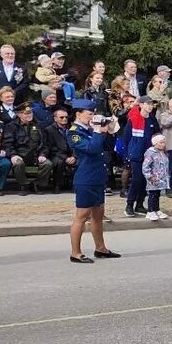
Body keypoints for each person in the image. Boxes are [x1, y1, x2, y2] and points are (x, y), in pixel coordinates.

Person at [66, 99, 120, 263]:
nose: (92, 117)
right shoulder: (74, 132)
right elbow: (92, 149)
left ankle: (100, 248)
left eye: (93, 114)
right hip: (86, 178)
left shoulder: (90, 130)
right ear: (78, 114)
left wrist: (109, 131)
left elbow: (108, 147)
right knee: (82, 216)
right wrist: (98, 131)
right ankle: (76, 252)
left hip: (97, 176)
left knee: (98, 215)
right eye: (89, 114)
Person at [2, 103, 51, 195]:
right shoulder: (11, 126)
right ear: (19, 114)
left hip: (35, 155)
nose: (29, 115)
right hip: (20, 154)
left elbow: (45, 143)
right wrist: (13, 155)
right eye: (26, 113)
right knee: (18, 163)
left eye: (30, 113)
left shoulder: (38, 125)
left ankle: (37, 184)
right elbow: (8, 143)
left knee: (47, 164)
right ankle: (23, 185)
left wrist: (43, 154)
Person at [123, 96, 158, 217]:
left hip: (149, 154)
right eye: (147, 104)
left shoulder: (152, 119)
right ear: (141, 105)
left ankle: (139, 204)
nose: (150, 106)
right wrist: (126, 156)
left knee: (144, 180)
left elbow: (157, 135)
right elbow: (126, 138)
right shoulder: (133, 119)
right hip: (136, 154)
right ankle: (129, 204)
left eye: (151, 104)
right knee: (137, 180)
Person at [43, 107, 77, 192]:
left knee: (80, 160)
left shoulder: (72, 129)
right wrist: (65, 157)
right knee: (59, 162)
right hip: (56, 154)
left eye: (66, 117)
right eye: (61, 117)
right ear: (55, 118)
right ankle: (57, 185)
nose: (64, 119)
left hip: (70, 154)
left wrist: (74, 156)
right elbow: (51, 147)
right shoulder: (49, 130)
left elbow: (76, 144)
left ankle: (75, 185)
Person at [142, 134, 171, 221]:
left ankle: (156, 209)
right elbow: (145, 166)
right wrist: (150, 176)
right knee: (153, 194)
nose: (163, 144)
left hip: (161, 179)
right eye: (161, 143)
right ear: (155, 143)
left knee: (157, 194)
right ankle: (150, 211)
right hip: (153, 179)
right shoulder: (150, 153)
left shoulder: (162, 153)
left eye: (164, 143)